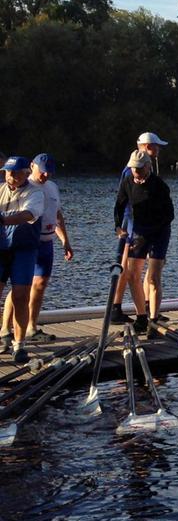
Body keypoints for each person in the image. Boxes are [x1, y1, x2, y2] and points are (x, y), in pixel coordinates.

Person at [1, 154, 72, 343]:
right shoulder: (22, 188)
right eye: (42, 170)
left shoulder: (51, 188)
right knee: (18, 289)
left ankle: (31, 327)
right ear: (32, 167)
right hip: (24, 242)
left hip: (45, 243)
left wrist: (65, 240)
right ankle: (5, 328)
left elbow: (57, 215)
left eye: (49, 172)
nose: (46, 175)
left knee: (38, 285)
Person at [114, 150, 174, 334]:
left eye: (140, 169)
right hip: (138, 232)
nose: (136, 172)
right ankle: (141, 318)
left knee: (154, 278)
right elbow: (119, 205)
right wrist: (118, 227)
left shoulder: (159, 186)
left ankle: (153, 321)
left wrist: (153, 229)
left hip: (159, 232)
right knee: (132, 275)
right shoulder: (127, 182)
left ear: (148, 167)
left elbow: (169, 214)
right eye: (133, 169)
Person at [0, 156, 44, 364]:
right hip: (1, 248)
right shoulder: (0, 190)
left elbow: (27, 214)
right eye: (9, 172)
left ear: (26, 173)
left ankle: (19, 345)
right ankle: (3, 335)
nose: (12, 176)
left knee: (20, 295)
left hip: (24, 250)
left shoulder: (35, 192)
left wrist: (3, 219)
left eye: (16, 172)